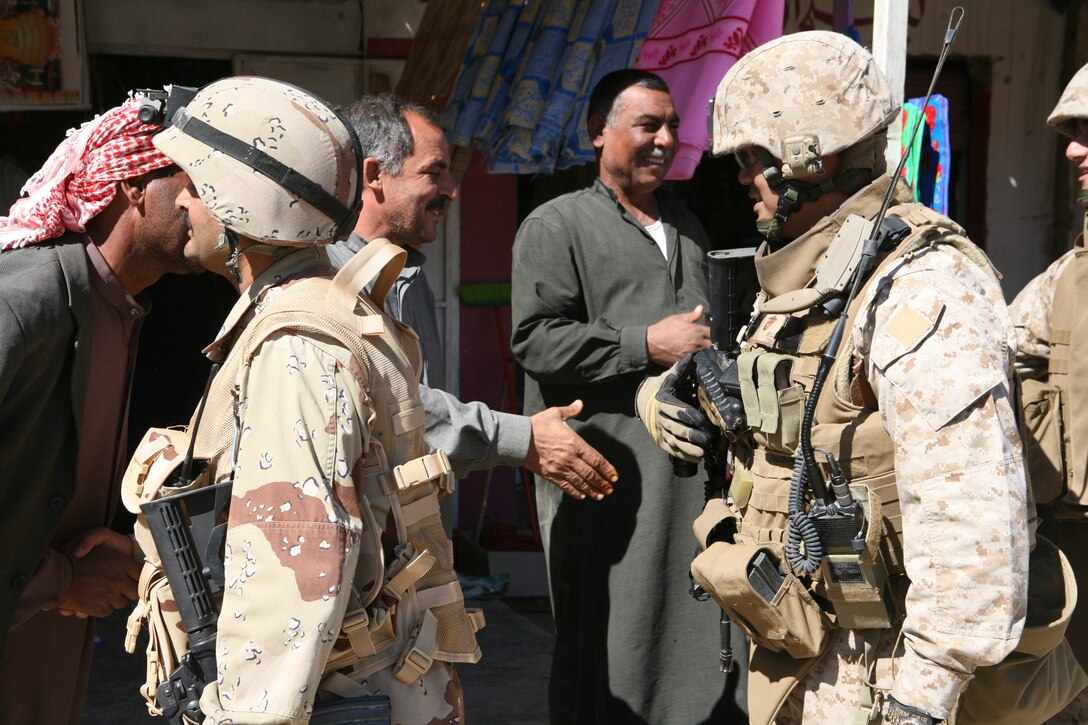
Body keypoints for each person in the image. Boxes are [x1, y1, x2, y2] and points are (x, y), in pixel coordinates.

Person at [637, 31, 1086, 725]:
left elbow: (974, 526)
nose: (740, 177)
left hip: (894, 675)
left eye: (754, 158)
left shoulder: (922, 284)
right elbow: (806, 426)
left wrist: (919, 699)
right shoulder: (818, 274)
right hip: (819, 655)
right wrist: (680, 391)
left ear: (810, 155)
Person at [133, 75, 476, 724]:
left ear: (238, 200)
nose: (183, 201)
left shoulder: (296, 340)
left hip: (328, 697)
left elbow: (296, 571)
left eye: (195, 181)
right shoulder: (324, 310)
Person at [510, 69, 743, 724]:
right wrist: (645, 343)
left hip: (691, 485)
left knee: (698, 640)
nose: (666, 139)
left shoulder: (689, 226)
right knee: (612, 643)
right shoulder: (556, 227)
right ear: (597, 133)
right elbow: (535, 341)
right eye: (648, 125)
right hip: (609, 482)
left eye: (672, 125)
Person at [0, 97, 197, 724]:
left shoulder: (118, 309)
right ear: (135, 186)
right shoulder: (26, 304)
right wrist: (58, 583)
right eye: (196, 185)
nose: (212, 207)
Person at [327, 94, 617, 503]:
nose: (451, 190)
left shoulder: (406, 273)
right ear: (375, 174)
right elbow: (398, 410)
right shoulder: (328, 279)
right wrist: (524, 438)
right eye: (434, 172)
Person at [1010, 63, 1088, 723]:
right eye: (1073, 132)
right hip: (1076, 554)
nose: (1072, 150)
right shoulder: (1062, 282)